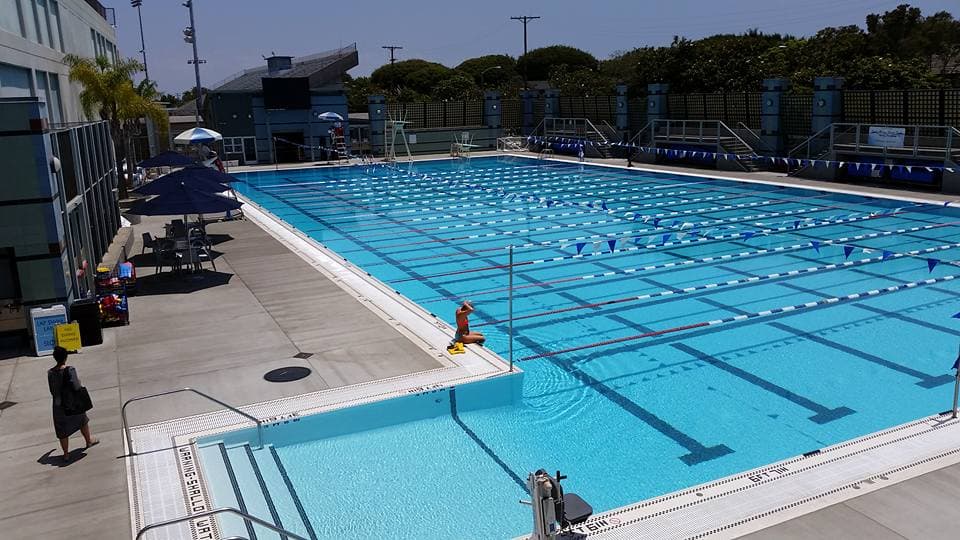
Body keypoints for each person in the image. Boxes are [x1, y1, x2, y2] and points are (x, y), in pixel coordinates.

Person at [48, 346, 97, 462]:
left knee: (62, 430)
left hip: (58, 405)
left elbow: (52, 391)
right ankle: (88, 441)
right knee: (82, 421)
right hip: (72, 403)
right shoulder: (70, 370)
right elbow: (76, 386)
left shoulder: (50, 373)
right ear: (65, 357)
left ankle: (66, 454)